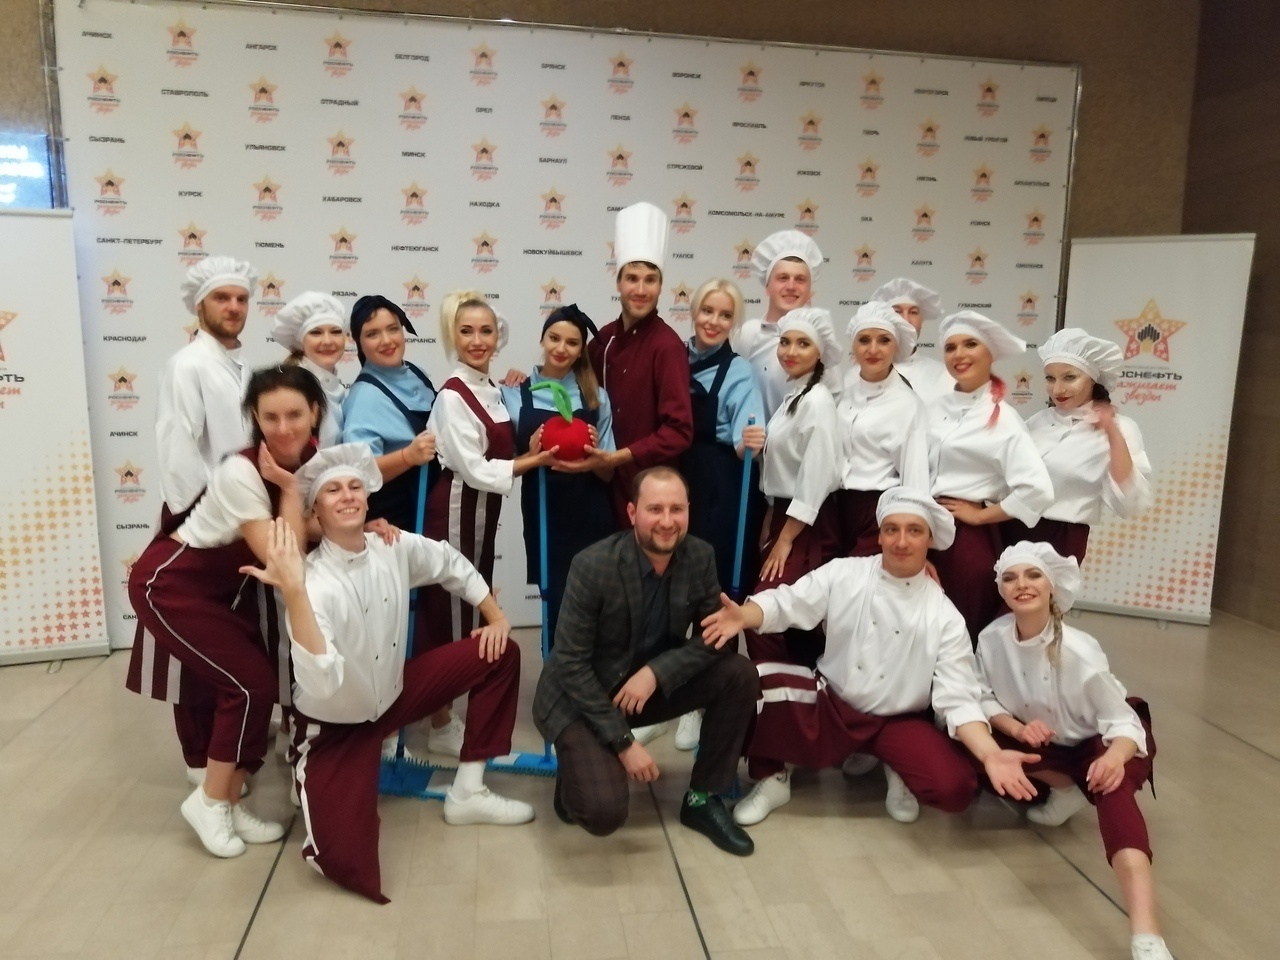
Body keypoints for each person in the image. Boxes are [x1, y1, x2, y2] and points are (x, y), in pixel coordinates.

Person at [243, 445, 533, 904]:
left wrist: (495, 616)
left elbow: (449, 562)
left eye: (355, 486)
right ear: (315, 511)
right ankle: (312, 778)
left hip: (395, 700)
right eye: (333, 490)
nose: (347, 495)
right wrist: (294, 595)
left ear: (367, 498)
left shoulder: (391, 546)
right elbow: (322, 682)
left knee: (499, 653)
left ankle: (468, 791)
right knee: (347, 865)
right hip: (334, 728)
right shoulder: (312, 583)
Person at [701, 488, 1041, 827]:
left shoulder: (945, 616)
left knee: (954, 788)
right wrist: (744, 615)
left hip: (897, 721)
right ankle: (773, 776)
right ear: (879, 535)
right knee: (747, 683)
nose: (901, 541)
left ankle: (895, 764)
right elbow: (789, 602)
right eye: (892, 529)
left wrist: (990, 754)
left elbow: (959, 697)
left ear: (930, 539)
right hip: (831, 703)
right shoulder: (845, 573)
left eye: (914, 530)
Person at [127, 365, 327, 858]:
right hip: (171, 585)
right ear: (255, 418)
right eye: (270, 417)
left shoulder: (313, 459)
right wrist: (289, 491)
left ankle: (229, 800)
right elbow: (284, 558)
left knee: (256, 685)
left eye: (294, 415)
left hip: (222, 590)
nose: (284, 428)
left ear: (315, 412)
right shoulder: (243, 471)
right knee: (248, 685)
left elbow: (312, 525)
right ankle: (210, 802)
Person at [532, 467, 760, 856]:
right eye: (655, 509)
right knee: (602, 813)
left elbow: (715, 637)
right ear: (632, 512)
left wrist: (656, 673)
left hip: (641, 688)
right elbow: (570, 663)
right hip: (580, 699)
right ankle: (575, 770)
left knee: (738, 673)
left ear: (688, 511)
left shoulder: (699, 555)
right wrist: (624, 744)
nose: (667, 522)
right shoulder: (593, 565)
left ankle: (703, 799)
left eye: (677, 509)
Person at [977, 542, 1170, 960]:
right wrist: (1017, 727)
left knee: (1114, 798)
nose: (1021, 584)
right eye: (1010, 577)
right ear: (1001, 589)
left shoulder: (1080, 650)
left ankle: (1147, 935)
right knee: (976, 751)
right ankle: (1067, 790)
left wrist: (1113, 758)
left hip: (1100, 741)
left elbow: (1123, 723)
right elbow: (983, 697)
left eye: (1033, 575)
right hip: (1047, 743)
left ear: (1052, 587)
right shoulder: (991, 640)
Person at [128, 256, 262, 792]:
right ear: (200, 305)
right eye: (221, 298)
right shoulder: (188, 365)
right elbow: (178, 448)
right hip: (202, 520)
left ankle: (225, 751)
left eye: (241, 298)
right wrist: (209, 518)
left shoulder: (243, 367)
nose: (233, 307)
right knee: (190, 651)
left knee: (225, 641)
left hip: (237, 521)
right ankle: (198, 758)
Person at [422, 291, 558, 753]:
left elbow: (500, 443)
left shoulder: (492, 388)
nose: (477, 340)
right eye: (466, 331)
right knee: (447, 612)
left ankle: (447, 711)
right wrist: (533, 461)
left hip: (481, 513)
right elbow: (475, 469)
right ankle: (439, 722)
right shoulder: (452, 395)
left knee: (468, 607)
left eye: (486, 331)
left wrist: (527, 446)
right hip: (453, 511)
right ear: (452, 336)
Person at [672, 279, 767, 751]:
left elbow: (748, 434)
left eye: (725, 314)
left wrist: (752, 441)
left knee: (714, 594)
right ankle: (668, 692)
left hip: (721, 485)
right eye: (707, 310)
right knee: (672, 590)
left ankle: (704, 701)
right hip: (674, 478)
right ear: (693, 312)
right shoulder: (673, 358)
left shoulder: (740, 371)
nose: (713, 321)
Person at [928, 310, 1054, 642]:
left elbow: (1037, 490)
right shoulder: (932, 408)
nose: (959, 354)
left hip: (965, 541)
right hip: (923, 529)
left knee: (963, 625)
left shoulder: (1004, 419)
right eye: (951, 347)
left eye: (970, 344)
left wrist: (981, 515)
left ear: (991, 355)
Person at [500, 302, 616, 645]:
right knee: (554, 603)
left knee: (595, 606)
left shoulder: (597, 397)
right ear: (542, 339)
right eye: (554, 338)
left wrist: (595, 458)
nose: (561, 348)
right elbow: (504, 467)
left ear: (581, 350)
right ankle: (554, 670)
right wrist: (530, 455)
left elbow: (609, 473)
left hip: (591, 512)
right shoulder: (513, 393)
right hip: (543, 511)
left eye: (572, 342)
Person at [745, 307, 843, 668]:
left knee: (763, 614)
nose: (790, 351)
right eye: (785, 342)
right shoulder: (794, 397)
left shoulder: (817, 401)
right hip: (785, 516)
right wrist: (771, 517)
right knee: (793, 625)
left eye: (803, 344)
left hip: (807, 525)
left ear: (820, 353)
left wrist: (786, 539)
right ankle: (791, 692)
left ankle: (782, 693)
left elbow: (816, 476)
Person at [587, 201, 694, 525]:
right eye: (632, 278)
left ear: (661, 286)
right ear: (618, 282)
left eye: (650, 280)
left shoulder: (667, 346)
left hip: (651, 495)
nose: (641, 289)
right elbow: (570, 383)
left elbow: (679, 431)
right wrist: (525, 380)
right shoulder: (603, 341)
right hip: (601, 488)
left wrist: (620, 457)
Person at [1010, 328, 1153, 560]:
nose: (1057, 389)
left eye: (1069, 377)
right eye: (1050, 378)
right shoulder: (1037, 421)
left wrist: (1111, 431)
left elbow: (1130, 501)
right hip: (1006, 526)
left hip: (1060, 539)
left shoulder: (1119, 427)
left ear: (1093, 379)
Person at [834, 301, 930, 557]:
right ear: (853, 346)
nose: (873, 349)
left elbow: (916, 480)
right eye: (864, 340)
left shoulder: (908, 404)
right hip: (837, 508)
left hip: (878, 511)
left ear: (896, 346)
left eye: (884, 340)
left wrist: (914, 543)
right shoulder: (845, 396)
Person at [341, 295, 438, 534]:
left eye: (393, 329)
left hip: (431, 509)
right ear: (358, 342)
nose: (386, 340)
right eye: (372, 334)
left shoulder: (416, 372)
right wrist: (408, 456)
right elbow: (358, 473)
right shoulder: (364, 398)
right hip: (396, 524)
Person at [731, 230, 827, 418]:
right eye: (783, 278)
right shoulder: (748, 334)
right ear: (767, 285)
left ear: (809, 289)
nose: (791, 286)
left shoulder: (821, 341)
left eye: (800, 279)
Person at [273, 291, 350, 448]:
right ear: (300, 342)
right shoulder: (293, 388)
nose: (327, 341)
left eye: (335, 332)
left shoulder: (334, 386)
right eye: (316, 333)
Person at [869, 277, 953, 407]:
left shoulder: (943, 375)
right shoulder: (858, 375)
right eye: (897, 311)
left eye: (913, 312)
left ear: (922, 321)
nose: (905, 319)